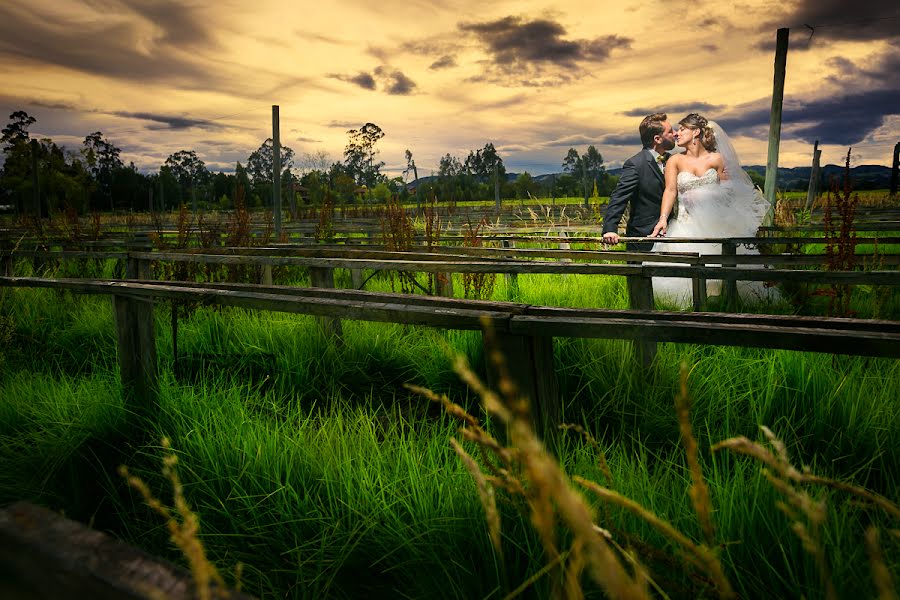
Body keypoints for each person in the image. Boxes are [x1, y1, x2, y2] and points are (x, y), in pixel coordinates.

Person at [649, 113, 774, 306]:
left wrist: (710, 197)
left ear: (696, 132)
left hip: (716, 223)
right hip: (686, 224)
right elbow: (670, 190)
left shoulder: (717, 159)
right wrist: (663, 218)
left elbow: (728, 192)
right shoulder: (675, 161)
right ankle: (698, 309)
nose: (677, 133)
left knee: (726, 266)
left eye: (682, 129)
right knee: (691, 271)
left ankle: (727, 305)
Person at [602, 113, 677, 251]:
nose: (676, 134)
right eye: (671, 131)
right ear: (657, 139)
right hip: (643, 237)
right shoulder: (635, 164)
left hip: (673, 234)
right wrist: (610, 228)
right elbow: (619, 197)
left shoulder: (674, 161)